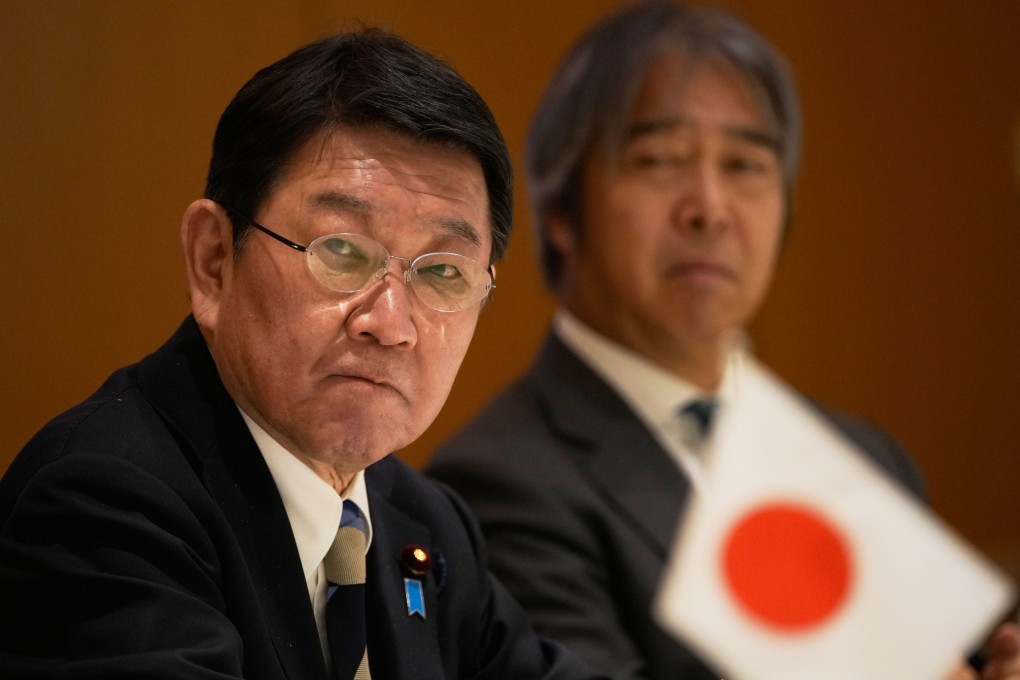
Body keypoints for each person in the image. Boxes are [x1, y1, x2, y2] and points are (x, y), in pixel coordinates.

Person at [425, 2, 1020, 680]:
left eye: (745, 165)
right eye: (659, 160)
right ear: (562, 209)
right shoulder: (497, 485)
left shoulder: (867, 456)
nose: (709, 206)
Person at [0, 28, 610, 680]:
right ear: (212, 261)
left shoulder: (423, 524)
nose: (391, 324)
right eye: (342, 252)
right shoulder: (103, 505)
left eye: (443, 274)